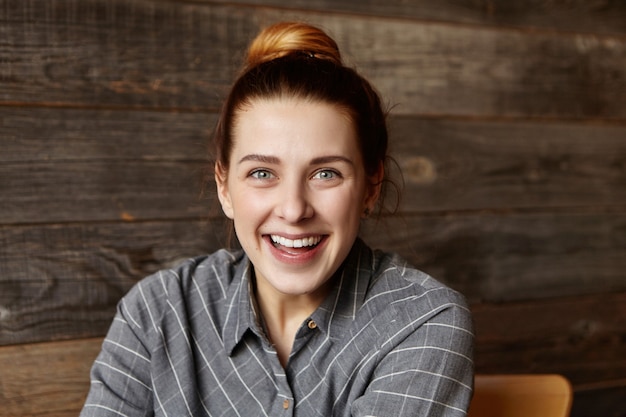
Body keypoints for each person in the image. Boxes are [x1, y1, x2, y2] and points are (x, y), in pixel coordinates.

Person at [81, 21, 474, 416]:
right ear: (224, 187)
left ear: (371, 188)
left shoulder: (422, 324)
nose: (293, 209)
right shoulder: (156, 312)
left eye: (326, 174)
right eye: (262, 173)